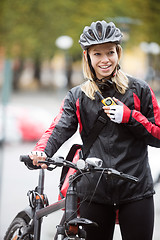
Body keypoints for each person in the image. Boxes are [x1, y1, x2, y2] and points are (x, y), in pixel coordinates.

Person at [29, 20, 160, 240]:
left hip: (136, 190)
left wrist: (130, 117)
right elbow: (59, 127)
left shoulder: (139, 89)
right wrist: (43, 150)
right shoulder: (78, 96)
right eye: (97, 54)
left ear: (118, 53)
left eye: (110, 52)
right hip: (94, 192)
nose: (105, 59)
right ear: (87, 57)